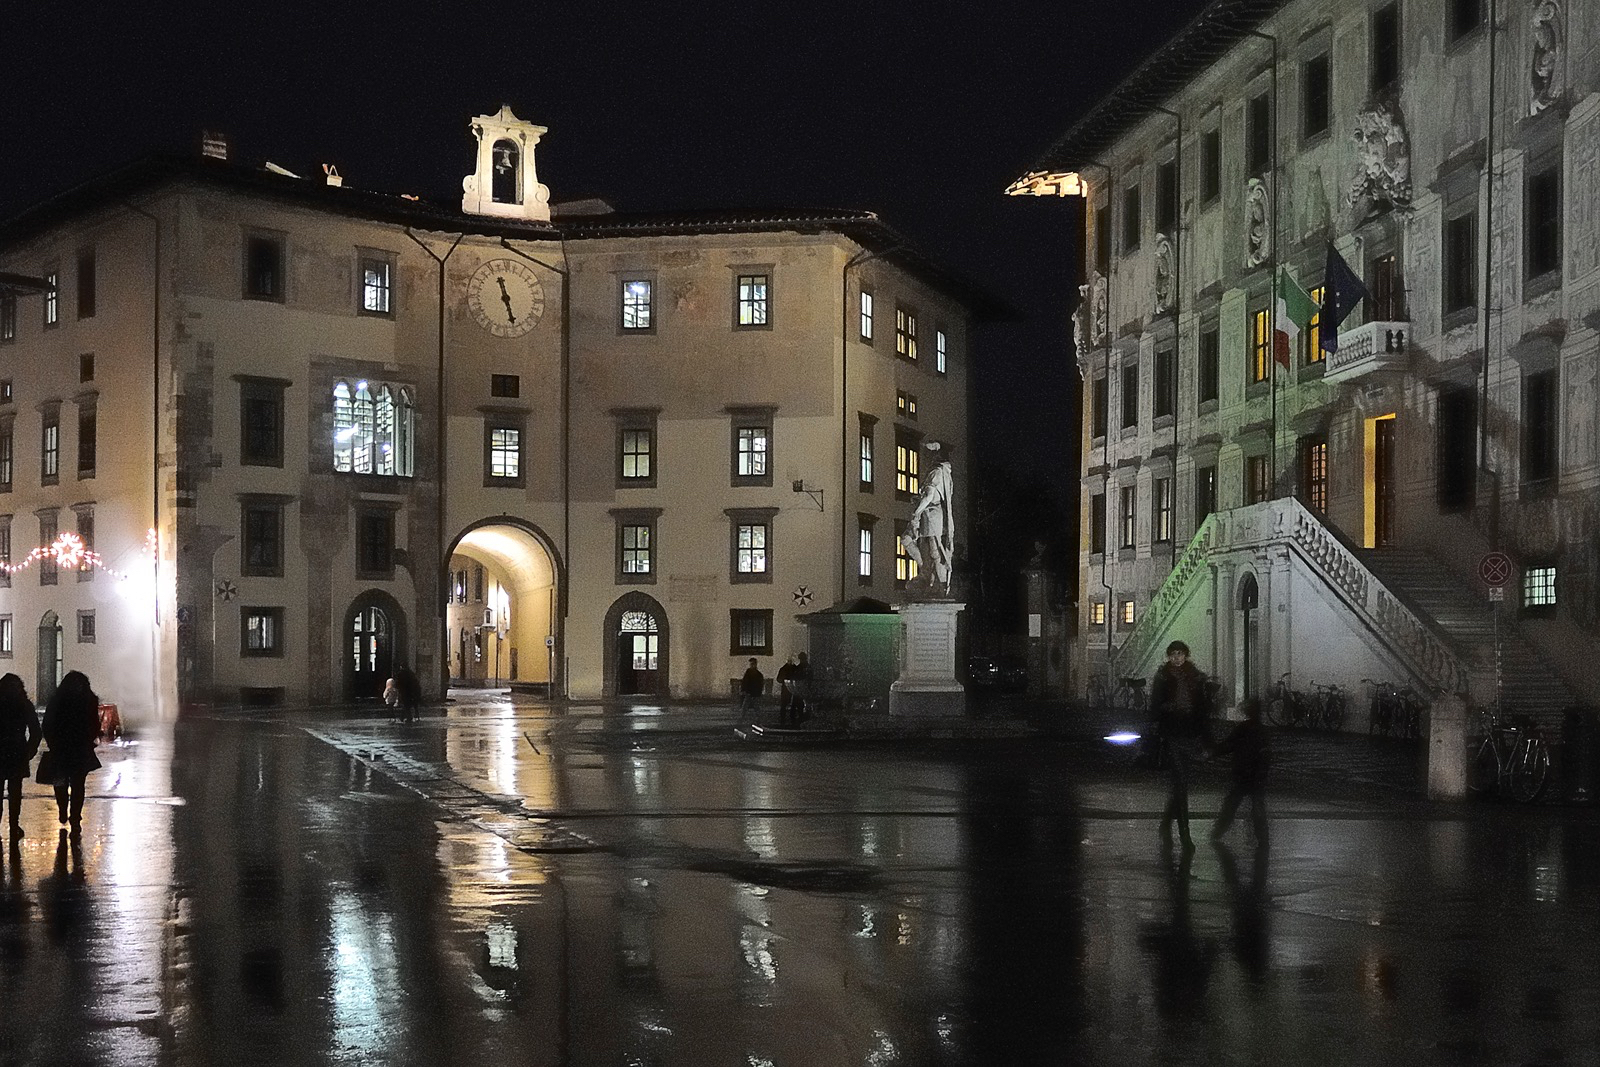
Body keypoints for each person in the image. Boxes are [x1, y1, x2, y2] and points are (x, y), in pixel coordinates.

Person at [1149, 640, 1214, 849]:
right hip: (1172, 735)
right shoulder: (1162, 677)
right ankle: (1185, 834)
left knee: (1180, 784)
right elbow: (1154, 708)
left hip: (1190, 734)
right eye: (1173, 654)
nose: (1177, 658)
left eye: (1180, 654)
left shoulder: (1195, 677)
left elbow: (1202, 710)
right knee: (1182, 783)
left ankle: (1166, 823)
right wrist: (1169, 707)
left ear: (1186, 655)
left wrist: (1206, 740)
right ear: (1169, 656)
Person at [38, 671, 102, 838]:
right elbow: (95, 724)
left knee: (61, 783)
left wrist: (53, 743)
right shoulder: (89, 700)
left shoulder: (57, 700)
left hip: (61, 748)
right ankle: (75, 817)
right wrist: (89, 740)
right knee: (78, 785)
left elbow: (47, 724)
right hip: (79, 748)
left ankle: (64, 811)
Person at [1211, 697, 1270, 848]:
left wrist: (1212, 752)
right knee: (1257, 806)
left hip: (1242, 771)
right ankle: (1262, 837)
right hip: (1256, 773)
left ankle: (1218, 832)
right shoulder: (1261, 731)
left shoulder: (1243, 728)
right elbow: (1265, 753)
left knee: (1232, 803)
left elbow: (1228, 745)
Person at [900, 445, 956, 594]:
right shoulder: (941, 471)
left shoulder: (936, 471)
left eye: (930, 453)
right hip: (930, 513)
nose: (927, 456)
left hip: (932, 514)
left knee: (934, 549)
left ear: (936, 455)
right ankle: (927, 575)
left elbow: (929, 496)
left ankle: (939, 583)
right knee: (916, 542)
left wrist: (916, 512)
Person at [0, 674, 41, 841]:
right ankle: (14, 825)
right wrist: (29, 752)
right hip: (17, 752)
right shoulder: (24, 705)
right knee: (15, 792)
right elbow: (36, 731)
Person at [790, 652, 811, 725]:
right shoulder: (808, 667)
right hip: (803, 688)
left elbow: (794, 676)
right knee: (800, 705)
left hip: (799, 688)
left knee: (797, 705)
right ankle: (801, 720)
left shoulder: (800, 667)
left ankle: (797, 721)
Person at [775, 656, 798, 722]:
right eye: (789, 661)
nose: (790, 662)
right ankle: (783, 718)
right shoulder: (783, 669)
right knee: (784, 704)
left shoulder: (794, 668)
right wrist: (784, 680)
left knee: (793, 704)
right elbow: (779, 679)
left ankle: (791, 717)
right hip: (786, 689)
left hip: (793, 689)